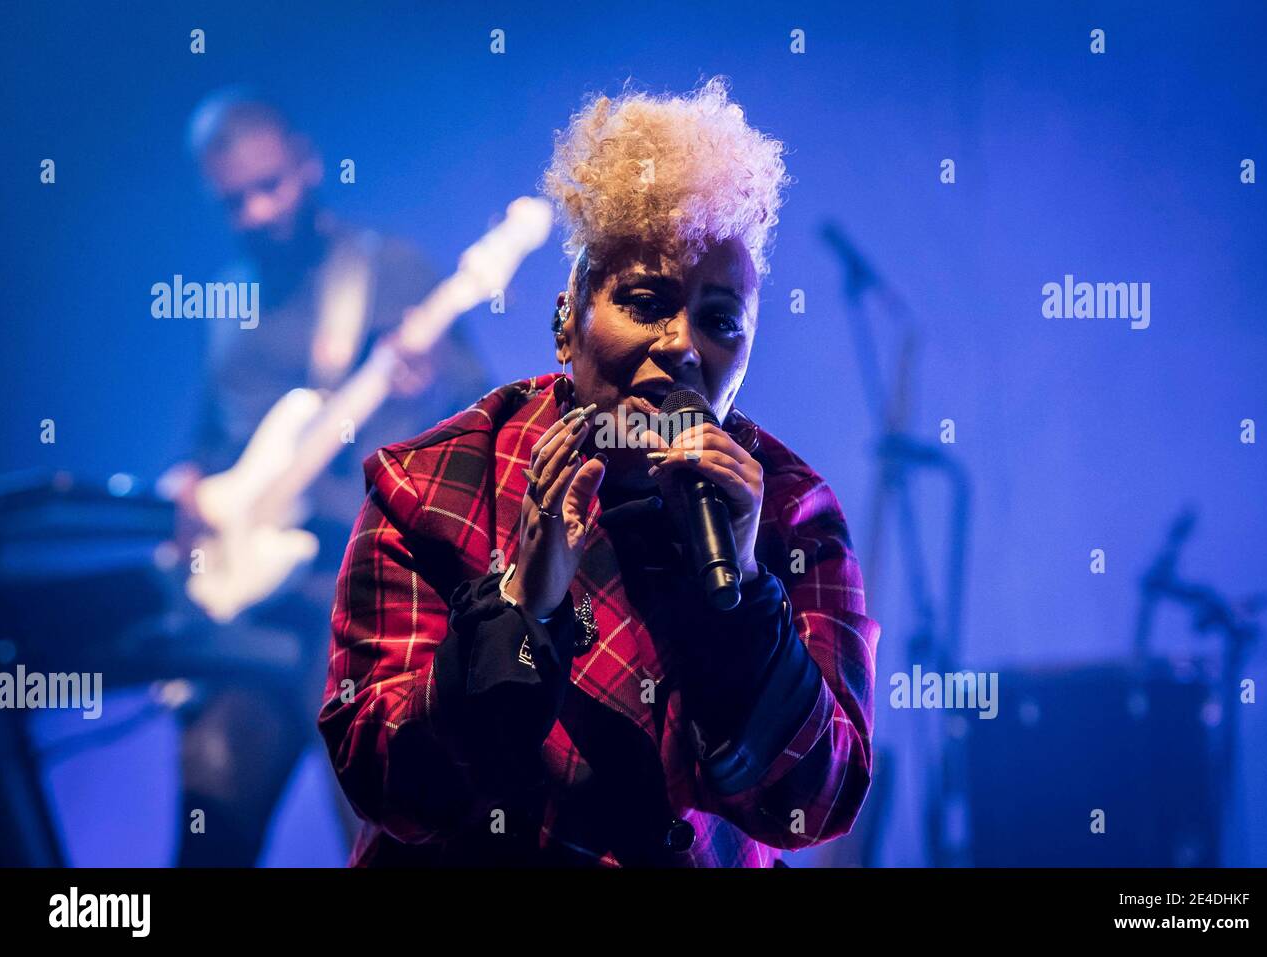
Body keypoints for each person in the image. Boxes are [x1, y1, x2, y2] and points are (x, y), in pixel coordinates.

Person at [320, 77, 879, 866]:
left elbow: (814, 807)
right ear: (566, 321)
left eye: (720, 319)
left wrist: (746, 599)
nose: (685, 345)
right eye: (648, 301)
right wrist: (521, 605)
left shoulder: (791, 512)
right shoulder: (430, 486)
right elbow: (385, 783)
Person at [160, 89, 490, 866]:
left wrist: (437, 383)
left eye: (270, 184)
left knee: (384, 833)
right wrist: (186, 484)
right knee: (210, 812)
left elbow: (489, 418)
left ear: (307, 163)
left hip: (367, 606)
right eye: (235, 199)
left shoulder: (387, 271)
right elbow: (210, 444)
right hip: (257, 618)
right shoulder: (228, 310)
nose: (259, 209)